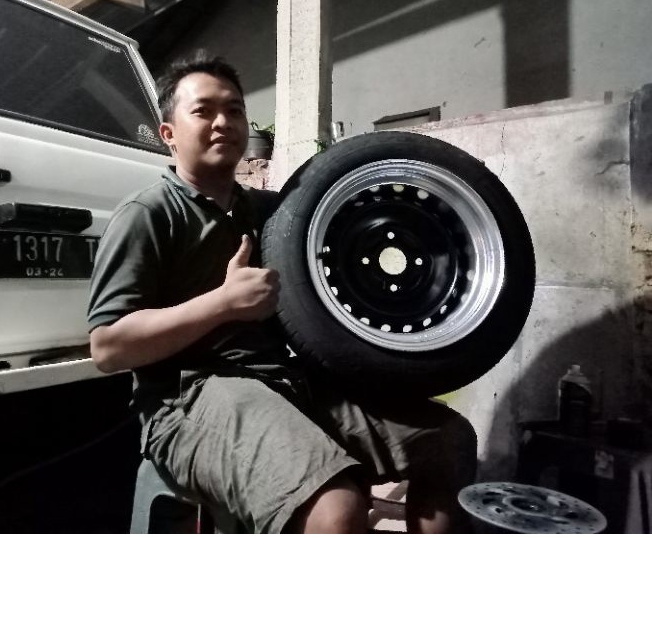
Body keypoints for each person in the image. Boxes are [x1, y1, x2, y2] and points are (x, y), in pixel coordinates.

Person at [88, 52, 477, 533]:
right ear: (168, 133)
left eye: (233, 110)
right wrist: (222, 304)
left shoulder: (274, 212)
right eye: (203, 111)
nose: (222, 122)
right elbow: (108, 347)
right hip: (188, 398)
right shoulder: (148, 214)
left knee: (448, 439)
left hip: (287, 382)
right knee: (337, 508)